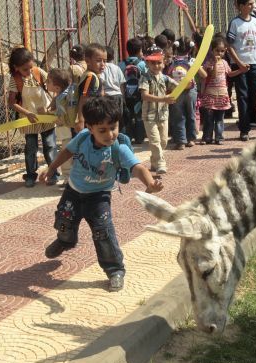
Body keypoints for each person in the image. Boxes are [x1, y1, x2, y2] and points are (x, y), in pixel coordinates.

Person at [39, 96, 164, 292]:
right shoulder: (82, 138)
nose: (110, 134)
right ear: (89, 127)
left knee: (103, 232)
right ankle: (65, 241)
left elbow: (138, 167)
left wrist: (150, 183)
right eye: (102, 130)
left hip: (99, 197)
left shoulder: (119, 149)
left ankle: (115, 269)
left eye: (113, 127)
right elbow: (67, 151)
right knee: (65, 220)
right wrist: (52, 167)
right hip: (73, 191)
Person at [7, 47, 59, 187]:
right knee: (31, 148)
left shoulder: (38, 72)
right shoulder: (15, 80)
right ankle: (30, 175)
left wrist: (52, 105)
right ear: (16, 68)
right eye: (25, 69)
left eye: (31, 67)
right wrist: (27, 113)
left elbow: (54, 87)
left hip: (46, 117)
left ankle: (53, 173)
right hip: (28, 119)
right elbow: (11, 102)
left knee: (50, 145)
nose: (29, 71)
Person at [227, 0, 256, 141]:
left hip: (255, 64)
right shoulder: (235, 23)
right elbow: (229, 45)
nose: (252, 6)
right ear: (241, 6)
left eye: (253, 3)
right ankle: (244, 129)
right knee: (242, 96)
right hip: (239, 65)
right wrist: (239, 63)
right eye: (249, 4)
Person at [201, 37, 247, 144]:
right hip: (210, 95)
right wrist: (215, 63)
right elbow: (213, 75)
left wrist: (241, 70)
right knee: (209, 119)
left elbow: (229, 74)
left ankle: (219, 137)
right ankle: (207, 137)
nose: (220, 53)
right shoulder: (209, 63)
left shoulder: (225, 63)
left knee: (220, 119)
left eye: (222, 51)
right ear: (212, 50)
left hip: (222, 95)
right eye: (217, 50)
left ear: (225, 50)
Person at [139, 46, 177, 173]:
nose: (156, 66)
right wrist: (163, 99)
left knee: (163, 141)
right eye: (153, 63)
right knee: (155, 141)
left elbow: (178, 86)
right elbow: (144, 95)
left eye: (159, 62)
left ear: (164, 62)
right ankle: (161, 163)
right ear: (147, 63)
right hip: (149, 116)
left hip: (163, 115)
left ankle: (154, 161)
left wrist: (188, 82)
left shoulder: (165, 78)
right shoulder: (145, 77)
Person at [167, 37, 206, 149]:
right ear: (191, 48)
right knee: (191, 114)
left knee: (178, 116)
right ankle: (191, 139)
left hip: (176, 90)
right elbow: (204, 75)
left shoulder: (172, 61)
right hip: (191, 90)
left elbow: (168, 75)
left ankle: (181, 141)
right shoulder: (192, 60)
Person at [45, 68, 77, 186]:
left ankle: (69, 178)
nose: (46, 83)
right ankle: (69, 177)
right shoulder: (61, 95)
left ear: (57, 87)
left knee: (67, 155)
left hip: (67, 131)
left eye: (48, 81)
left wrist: (50, 114)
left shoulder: (63, 98)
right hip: (66, 131)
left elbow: (62, 116)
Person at [119, 38, 149, 144]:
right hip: (139, 95)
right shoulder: (142, 64)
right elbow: (147, 76)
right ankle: (139, 137)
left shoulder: (121, 64)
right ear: (140, 50)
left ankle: (128, 136)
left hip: (126, 95)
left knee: (127, 116)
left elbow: (120, 81)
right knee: (139, 116)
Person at [75, 43, 106, 133]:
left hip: (95, 117)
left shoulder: (95, 75)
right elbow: (83, 99)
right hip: (89, 119)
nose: (103, 64)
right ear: (87, 61)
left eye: (105, 61)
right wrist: (81, 120)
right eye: (99, 61)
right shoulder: (90, 77)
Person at [101, 46, 126, 133]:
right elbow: (122, 83)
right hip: (118, 95)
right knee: (119, 118)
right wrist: (123, 97)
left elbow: (102, 83)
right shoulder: (117, 67)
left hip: (108, 96)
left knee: (109, 118)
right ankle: (122, 135)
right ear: (113, 56)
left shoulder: (102, 68)